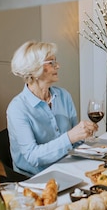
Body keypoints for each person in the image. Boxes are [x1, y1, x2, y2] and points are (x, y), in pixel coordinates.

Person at [7, 40, 98, 176]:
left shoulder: (63, 96)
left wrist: (84, 135)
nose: (58, 66)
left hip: (67, 165)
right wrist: (70, 137)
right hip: (36, 177)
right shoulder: (17, 109)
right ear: (34, 69)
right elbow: (32, 156)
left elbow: (76, 141)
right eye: (51, 62)